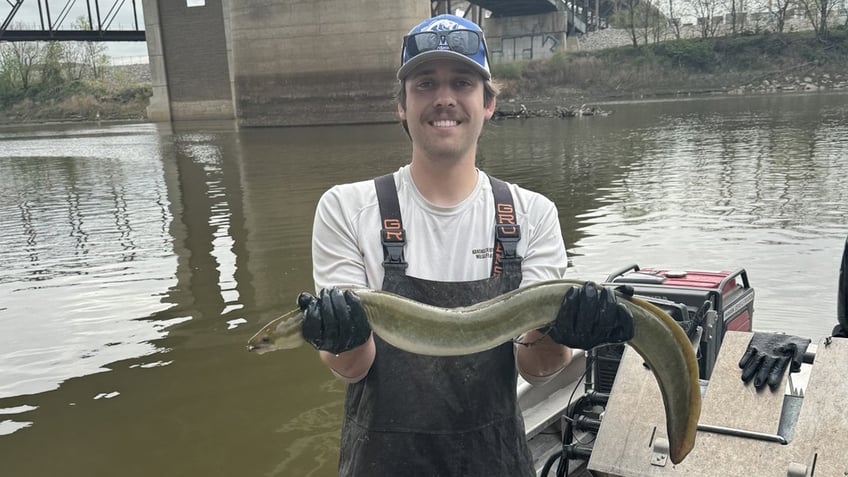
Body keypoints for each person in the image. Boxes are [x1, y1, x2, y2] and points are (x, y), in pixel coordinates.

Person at [297, 14, 633, 476]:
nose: (444, 99)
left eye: (461, 82)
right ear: (402, 105)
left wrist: (559, 331)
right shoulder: (346, 208)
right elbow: (351, 369)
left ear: (488, 102)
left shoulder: (532, 213)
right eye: (425, 84)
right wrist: (341, 336)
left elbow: (538, 369)